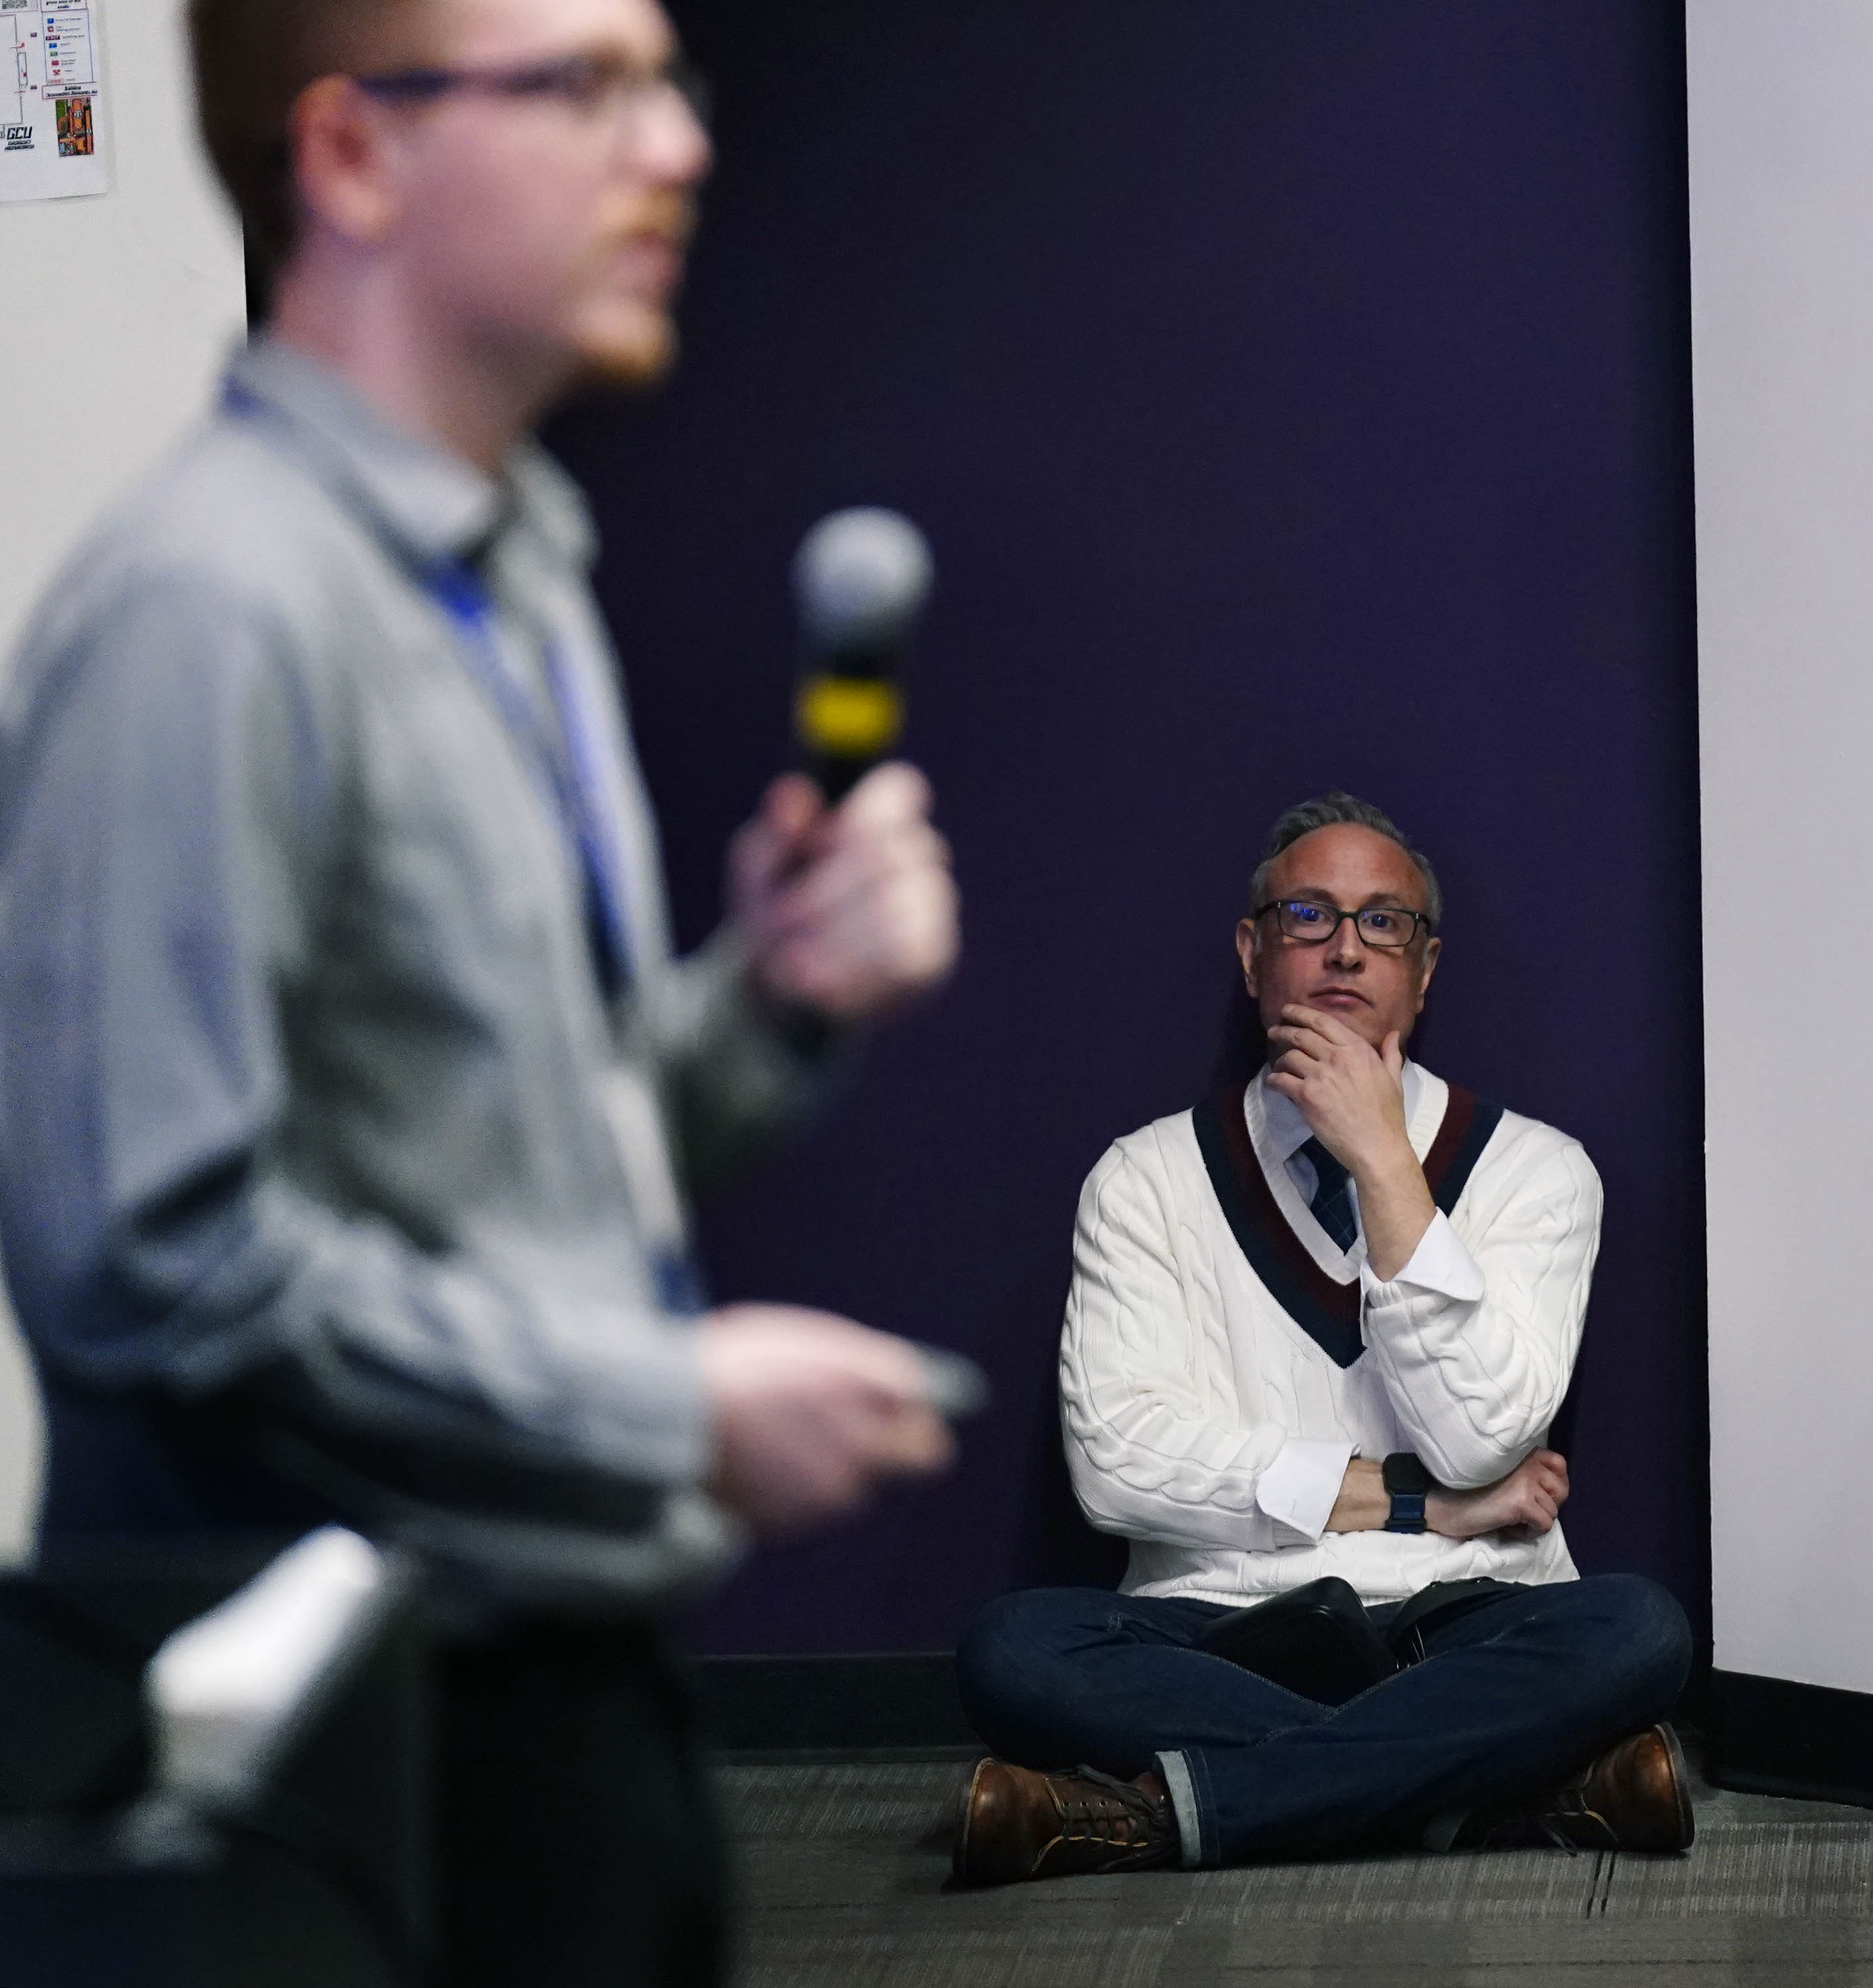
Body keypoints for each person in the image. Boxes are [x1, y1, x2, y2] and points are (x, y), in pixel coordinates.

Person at [0, 0, 959, 1977]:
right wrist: (664, 1408)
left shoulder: (507, 575)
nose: (677, 146)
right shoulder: (212, 607)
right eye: (584, 86)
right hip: (356, 1762)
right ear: (352, 158)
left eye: (666, 81)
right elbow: (154, 1263)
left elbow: (531, 1173)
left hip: (572, 1703)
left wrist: (772, 1003)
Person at [952, 792, 1693, 1885]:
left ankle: (1165, 1816)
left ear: (1425, 970)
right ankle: (1495, 1791)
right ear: (1252, 954)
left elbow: (1483, 1439)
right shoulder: (1146, 1178)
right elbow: (1117, 1468)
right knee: (1014, 1651)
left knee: (1638, 1630)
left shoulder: (1537, 1169)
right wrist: (1415, 1504)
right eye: (1309, 916)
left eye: (1382, 922)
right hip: (1222, 1628)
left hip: (1466, 1620)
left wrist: (1386, 1165)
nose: (1345, 948)